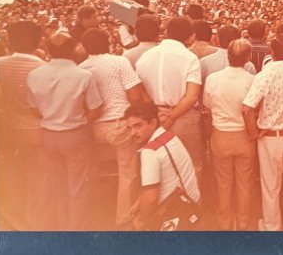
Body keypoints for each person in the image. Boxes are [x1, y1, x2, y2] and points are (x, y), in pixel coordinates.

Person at [27, 32, 103, 230]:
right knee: (77, 187)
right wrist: (79, 119)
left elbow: (33, 108)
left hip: (48, 134)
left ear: (49, 50)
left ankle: (61, 226)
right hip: (75, 133)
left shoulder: (35, 75)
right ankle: (75, 230)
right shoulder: (83, 75)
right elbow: (95, 108)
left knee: (57, 185)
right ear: (72, 50)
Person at [79, 28, 149, 229]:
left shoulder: (82, 67)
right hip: (118, 126)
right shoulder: (119, 62)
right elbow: (135, 96)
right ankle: (124, 218)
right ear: (108, 41)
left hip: (94, 129)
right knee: (128, 172)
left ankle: (95, 210)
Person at [0, 21, 47, 229]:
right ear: (37, 41)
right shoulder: (41, 67)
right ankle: (37, 221)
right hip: (36, 130)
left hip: (9, 131)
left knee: (17, 177)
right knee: (39, 178)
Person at [136, 16, 205, 176]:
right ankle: (191, 200)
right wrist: (172, 116)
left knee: (159, 168)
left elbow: (141, 90)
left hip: (155, 116)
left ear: (166, 32)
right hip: (184, 117)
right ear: (191, 36)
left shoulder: (145, 57)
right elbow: (192, 96)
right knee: (192, 166)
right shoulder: (190, 58)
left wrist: (157, 111)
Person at [203, 38, 257, 230]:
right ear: (248, 58)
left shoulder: (212, 79)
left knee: (223, 181)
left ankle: (225, 219)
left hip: (221, 135)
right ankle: (242, 220)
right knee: (245, 181)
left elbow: (207, 107)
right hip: (243, 136)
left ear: (228, 55)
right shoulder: (251, 80)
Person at [126, 101, 201, 231]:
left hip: (178, 215)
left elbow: (150, 198)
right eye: (130, 128)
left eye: (138, 126)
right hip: (193, 204)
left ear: (153, 122)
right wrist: (141, 200)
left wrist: (141, 220)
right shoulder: (169, 136)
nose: (133, 133)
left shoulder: (150, 152)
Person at [242, 35, 283, 231]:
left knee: (271, 187)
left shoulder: (266, 73)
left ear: (273, 53)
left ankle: (272, 226)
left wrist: (253, 133)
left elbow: (246, 108)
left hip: (271, 137)